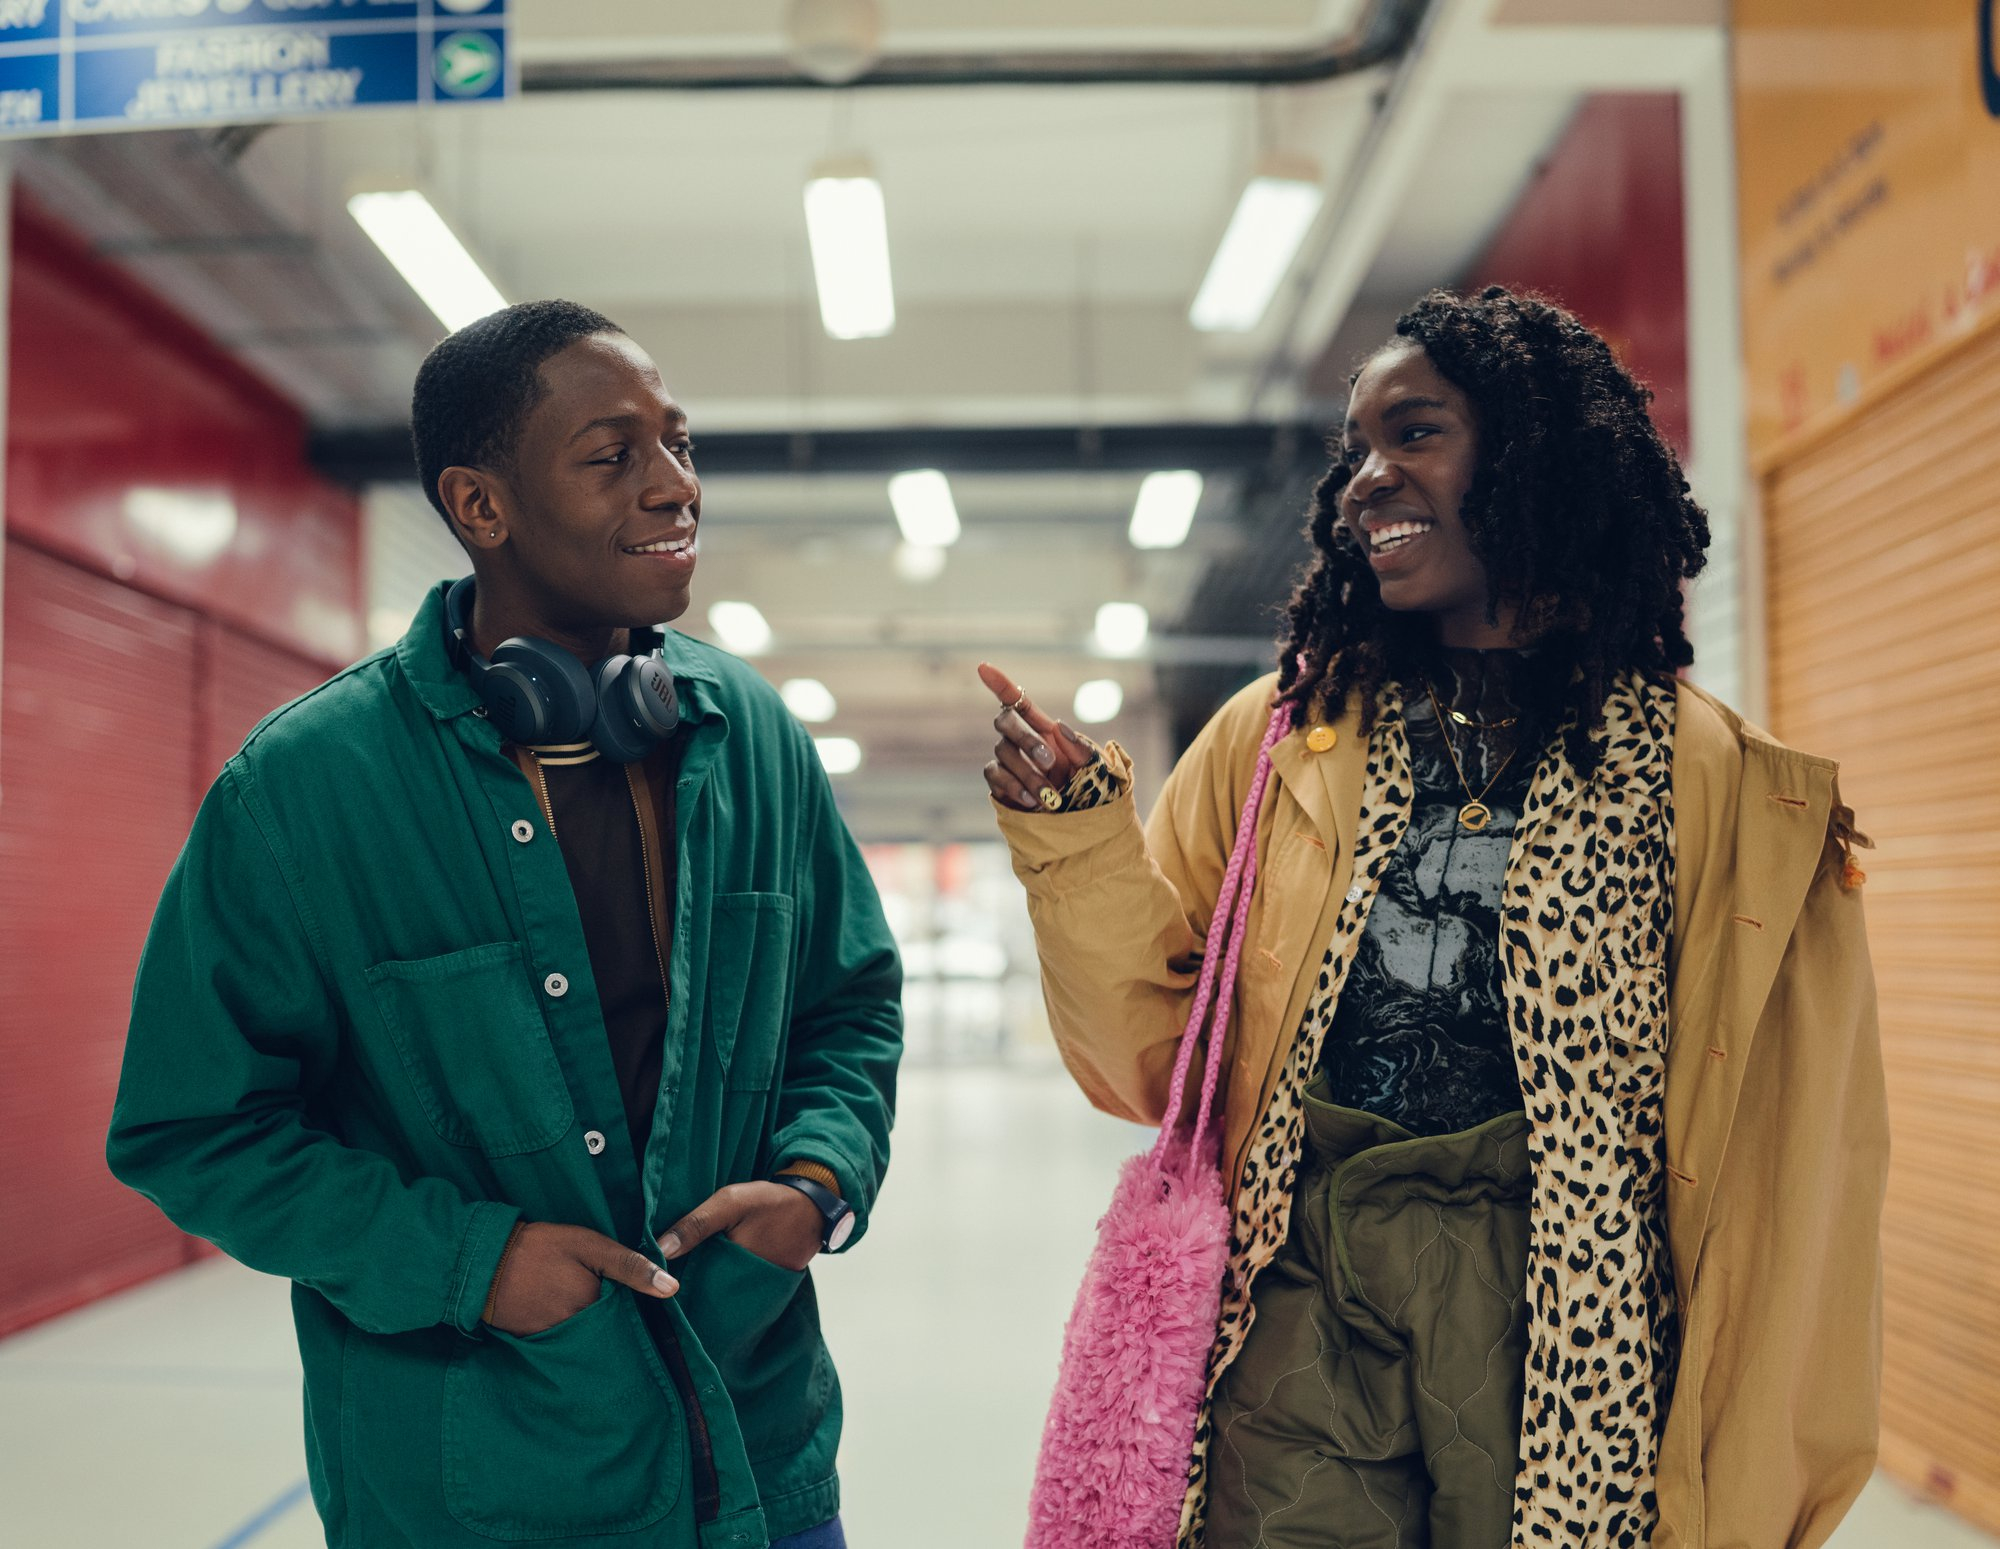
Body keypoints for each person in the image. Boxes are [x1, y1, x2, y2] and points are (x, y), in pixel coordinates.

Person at [980, 286, 1886, 1549]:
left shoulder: (1720, 788)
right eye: (1355, 448)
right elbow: (1149, 1060)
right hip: (1302, 1275)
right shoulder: (1275, 739)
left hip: (1567, 1312)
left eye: (1413, 434)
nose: (1364, 479)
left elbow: (1803, 1177)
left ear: (1532, 455)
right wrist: (1075, 843)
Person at [108, 300, 902, 1549]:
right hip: (473, 1493)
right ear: (481, 506)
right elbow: (194, 1127)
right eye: (614, 455)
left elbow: (847, 1002)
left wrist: (821, 1175)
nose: (674, 486)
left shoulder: (747, 735)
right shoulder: (307, 789)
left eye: (678, 444)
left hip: (756, 1456)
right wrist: (468, 1264)